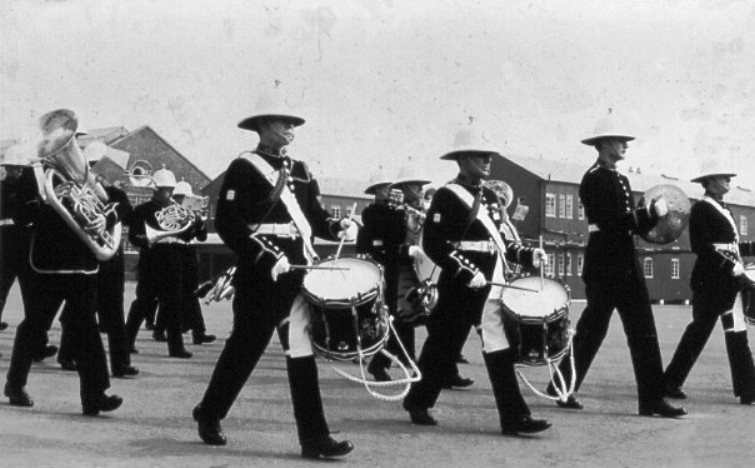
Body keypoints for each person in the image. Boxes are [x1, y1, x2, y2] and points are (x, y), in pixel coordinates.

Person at [191, 93, 354, 459]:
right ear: (262, 125)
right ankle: (210, 412)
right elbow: (230, 223)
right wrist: (265, 257)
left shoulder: (301, 169)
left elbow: (313, 215)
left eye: (294, 123)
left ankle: (315, 438)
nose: (291, 128)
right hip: (261, 275)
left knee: (300, 352)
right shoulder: (244, 167)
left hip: (297, 273)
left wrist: (335, 225)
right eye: (283, 122)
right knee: (245, 349)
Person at [402, 125, 551, 435]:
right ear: (463, 158)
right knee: (443, 346)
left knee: (496, 348)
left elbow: (501, 242)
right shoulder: (446, 195)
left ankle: (514, 418)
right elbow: (435, 244)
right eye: (481, 156)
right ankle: (418, 401)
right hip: (460, 285)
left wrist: (526, 254)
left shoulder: (490, 196)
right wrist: (467, 271)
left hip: (490, 284)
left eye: (489, 156)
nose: (488, 161)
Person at [547, 112, 686, 418]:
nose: (626, 145)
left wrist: (650, 216)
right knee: (592, 331)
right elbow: (612, 222)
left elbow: (630, 224)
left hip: (624, 260)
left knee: (643, 331)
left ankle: (651, 399)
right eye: (621, 140)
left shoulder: (620, 178)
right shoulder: (594, 179)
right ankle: (562, 385)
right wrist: (647, 212)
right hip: (606, 262)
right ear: (605, 143)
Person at [4, 108, 121, 416]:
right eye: (53, 134)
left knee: (87, 328)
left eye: (65, 134)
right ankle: (15, 384)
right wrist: (49, 202)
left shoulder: (84, 172)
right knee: (35, 326)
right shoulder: (35, 173)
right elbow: (20, 215)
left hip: (81, 263)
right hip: (47, 262)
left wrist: (102, 224)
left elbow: (110, 207)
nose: (61, 140)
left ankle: (95, 395)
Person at [662, 165, 755, 404]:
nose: (729, 181)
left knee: (736, 334)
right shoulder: (702, 208)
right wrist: (731, 267)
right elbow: (701, 246)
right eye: (725, 178)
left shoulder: (724, 208)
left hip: (728, 282)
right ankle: (670, 382)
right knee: (699, 333)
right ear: (711, 181)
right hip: (711, 282)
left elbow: (731, 245)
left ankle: (749, 390)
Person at [57, 168, 139, 378]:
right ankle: (67, 355)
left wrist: (105, 218)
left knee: (114, 311)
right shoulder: (71, 191)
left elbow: (125, 208)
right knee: (81, 310)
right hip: (87, 257)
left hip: (110, 258)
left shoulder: (115, 194)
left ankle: (120, 363)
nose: (95, 176)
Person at [127, 166, 202, 358]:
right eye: (165, 190)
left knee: (174, 305)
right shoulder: (142, 210)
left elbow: (190, 237)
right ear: (156, 190)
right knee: (143, 303)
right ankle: (125, 341)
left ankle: (176, 348)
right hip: (152, 261)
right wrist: (147, 239)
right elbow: (134, 237)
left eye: (171, 189)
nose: (169, 194)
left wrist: (197, 224)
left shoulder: (178, 211)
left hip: (174, 260)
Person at [356, 171, 407, 381]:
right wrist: (396, 212)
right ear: (376, 191)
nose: (391, 190)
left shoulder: (396, 212)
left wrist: (401, 213)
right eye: (386, 187)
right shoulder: (371, 212)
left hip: (394, 265)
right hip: (378, 264)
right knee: (383, 314)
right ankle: (379, 361)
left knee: (394, 315)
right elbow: (376, 230)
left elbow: (399, 236)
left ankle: (383, 361)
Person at [172, 179, 215, 345]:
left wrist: (199, 222)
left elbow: (201, 237)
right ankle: (190, 330)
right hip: (175, 253)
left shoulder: (191, 214)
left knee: (190, 295)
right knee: (178, 297)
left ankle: (197, 332)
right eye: (182, 197)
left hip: (189, 254)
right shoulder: (171, 212)